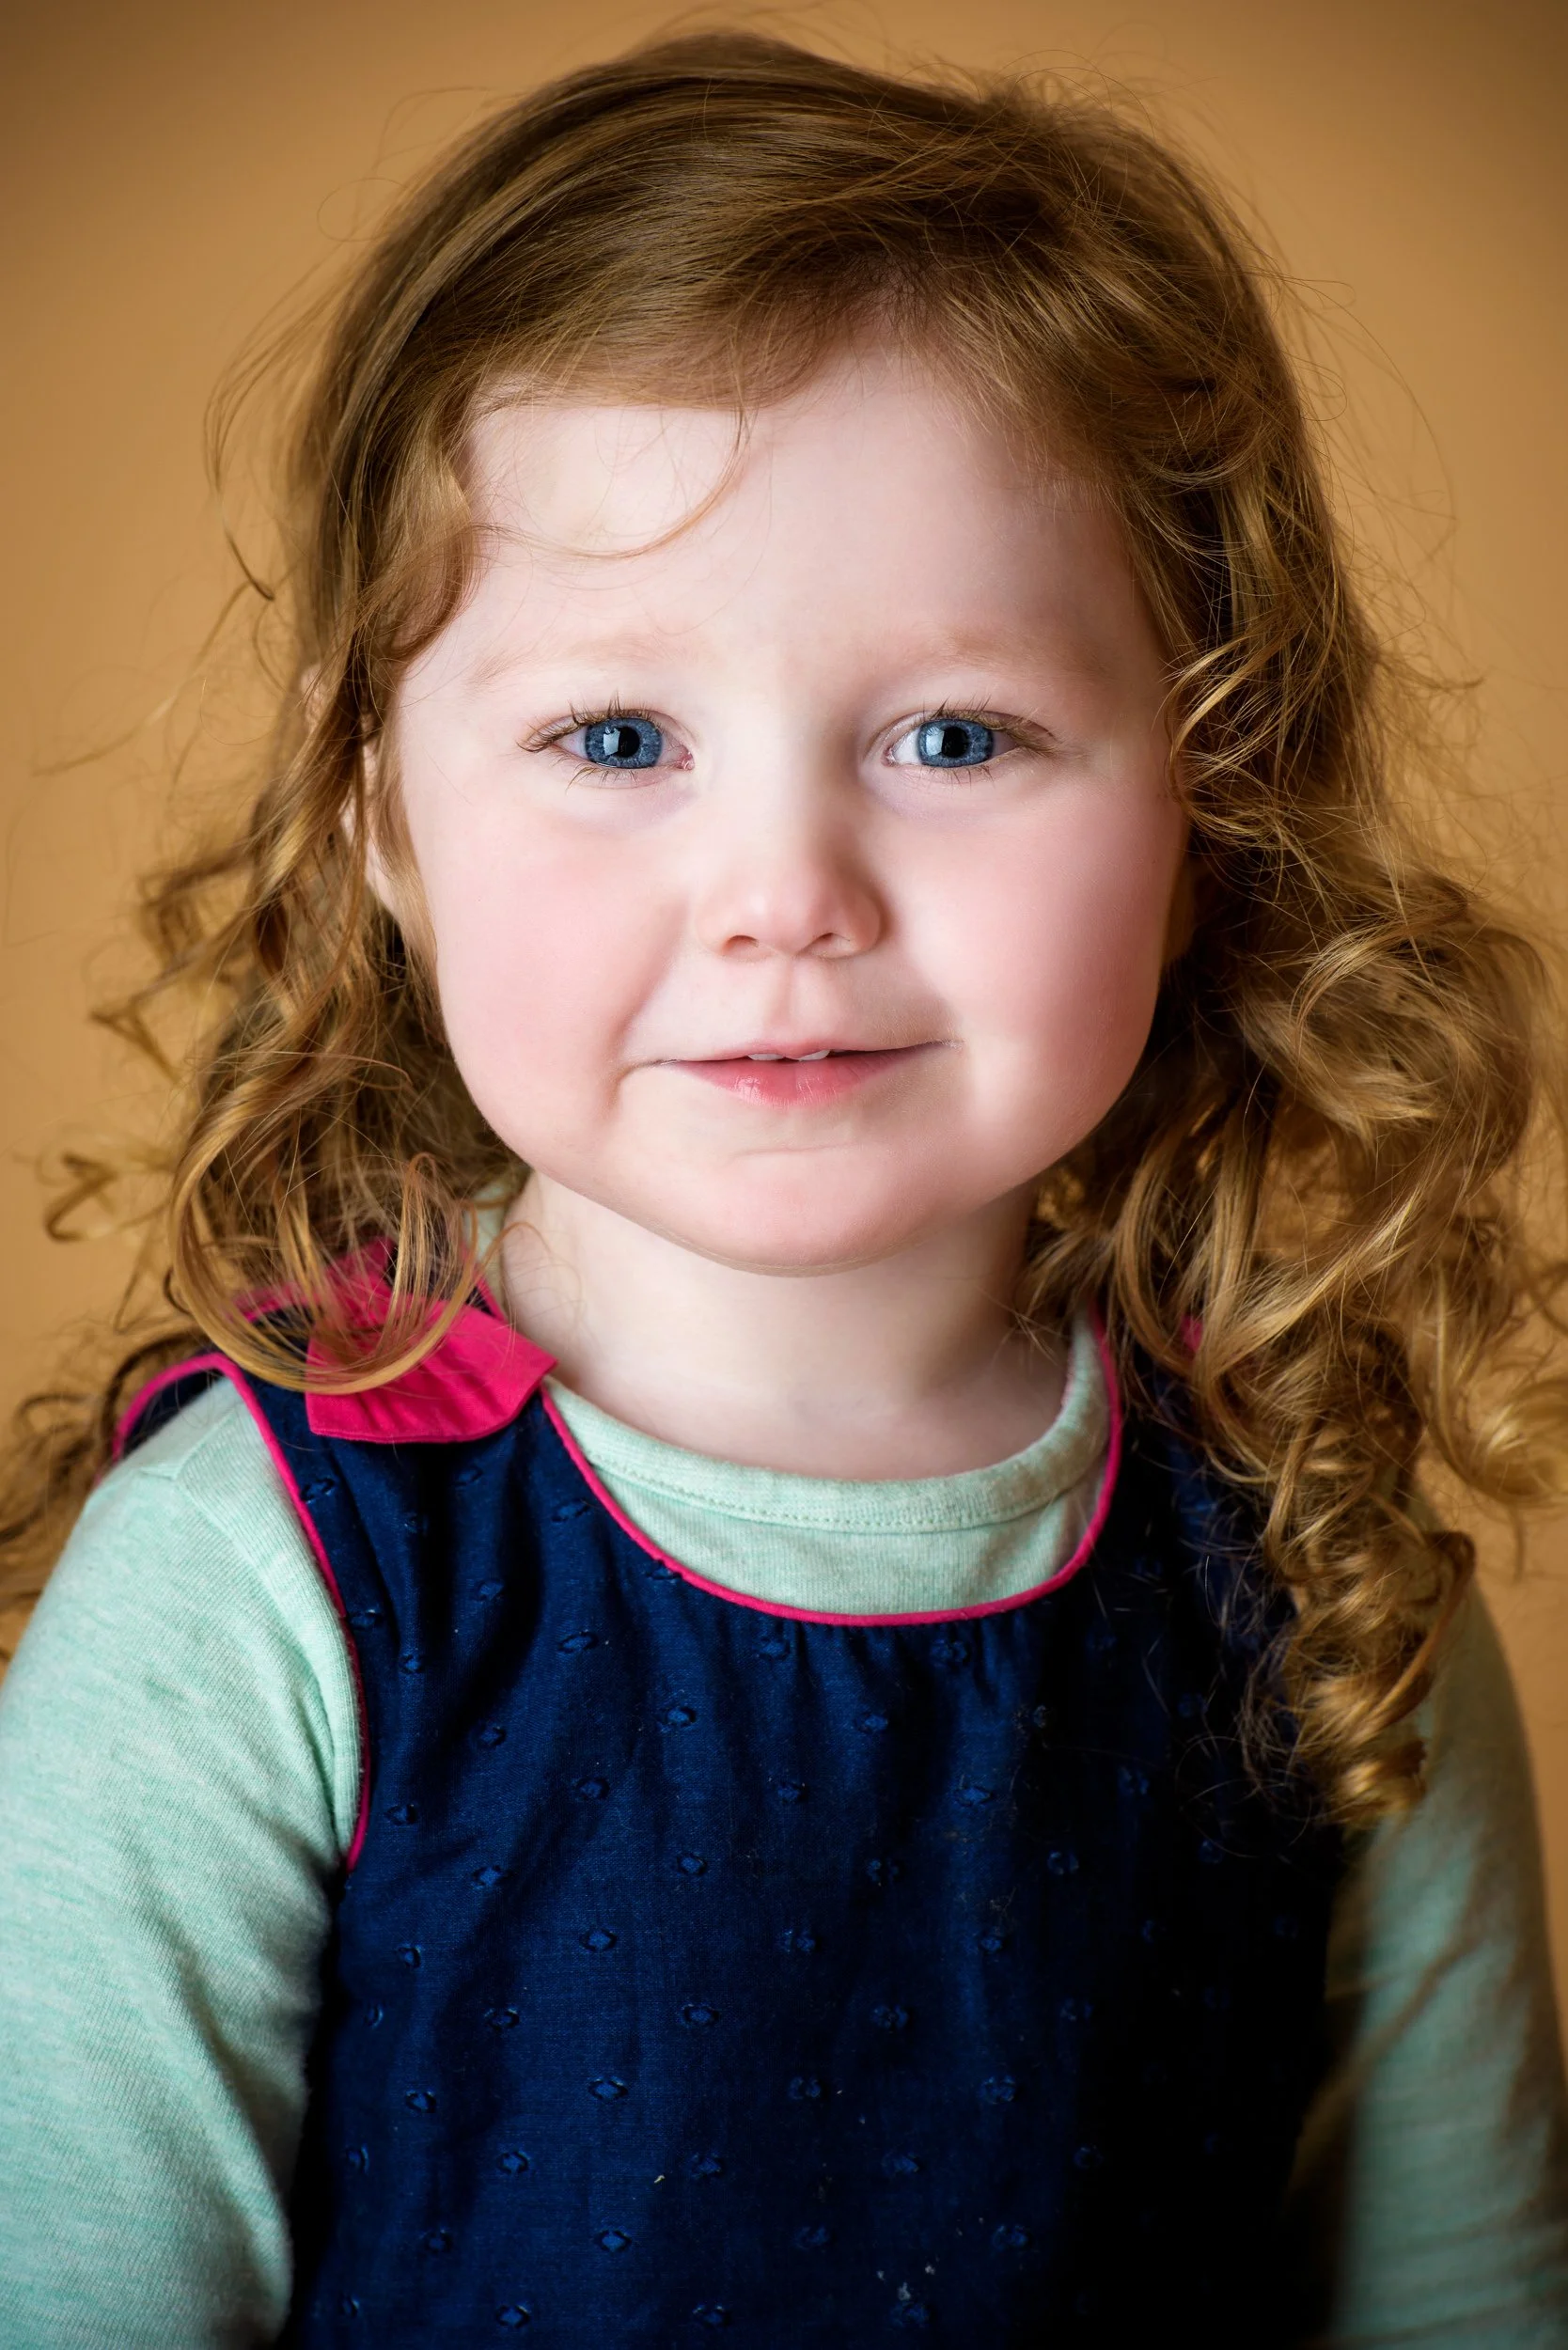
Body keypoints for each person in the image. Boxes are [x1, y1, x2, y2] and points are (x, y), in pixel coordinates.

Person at [0, 29, 1564, 2346]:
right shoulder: (253, 1587)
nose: (784, 894)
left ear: (1210, 795)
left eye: (957, 735)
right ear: (376, 817)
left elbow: (1463, 2296)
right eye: (615, 738)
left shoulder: (1323, 1552)